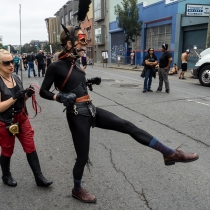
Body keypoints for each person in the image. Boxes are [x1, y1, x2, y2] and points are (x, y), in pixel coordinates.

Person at [39, 25, 198, 203]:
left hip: (90, 109)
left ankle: (169, 152)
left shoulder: (75, 63)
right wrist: (58, 96)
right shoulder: (56, 66)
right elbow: (43, 91)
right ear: (69, 43)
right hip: (76, 114)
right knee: (82, 157)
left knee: (127, 125)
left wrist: (90, 81)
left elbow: (74, 84)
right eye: (81, 43)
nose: (85, 47)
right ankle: (77, 189)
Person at [0, 49, 52, 187]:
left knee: (30, 146)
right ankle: (6, 176)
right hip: (5, 122)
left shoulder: (16, 77)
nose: (11, 64)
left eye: (12, 61)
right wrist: (14, 97)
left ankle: (39, 177)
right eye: (6, 63)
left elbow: (20, 100)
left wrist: (27, 94)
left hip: (22, 118)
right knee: (7, 149)